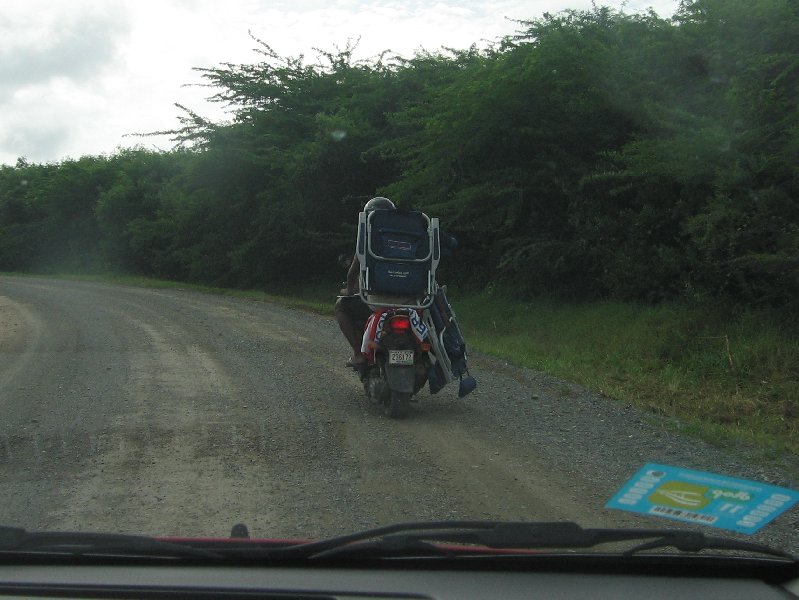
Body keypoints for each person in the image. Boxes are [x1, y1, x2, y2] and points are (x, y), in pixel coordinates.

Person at [334, 196, 396, 367]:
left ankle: (359, 354)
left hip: (376, 302)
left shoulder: (368, 241)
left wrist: (349, 289)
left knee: (341, 306)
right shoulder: (407, 241)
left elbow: (352, 274)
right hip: (410, 303)